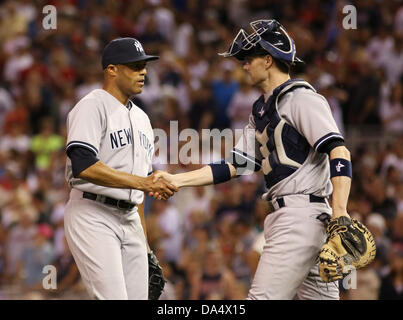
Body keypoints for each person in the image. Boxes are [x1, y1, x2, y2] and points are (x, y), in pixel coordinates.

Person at [152, 19, 355, 299]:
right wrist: (177, 179)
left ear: (268, 60)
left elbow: (339, 150)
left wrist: (341, 211)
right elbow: (234, 166)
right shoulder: (262, 110)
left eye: (249, 59)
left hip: (300, 217)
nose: (244, 65)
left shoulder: (302, 98)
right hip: (298, 219)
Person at [63, 37, 178, 300]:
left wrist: (146, 246)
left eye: (144, 66)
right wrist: (144, 183)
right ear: (112, 69)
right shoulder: (92, 105)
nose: (143, 72)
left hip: (130, 219)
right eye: (135, 66)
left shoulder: (142, 118)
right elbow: (83, 164)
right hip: (93, 213)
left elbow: (137, 188)